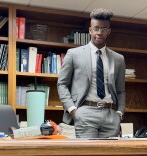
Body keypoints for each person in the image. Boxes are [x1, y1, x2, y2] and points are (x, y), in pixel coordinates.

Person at [57, 8, 126, 138]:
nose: (99, 32)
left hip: (111, 115)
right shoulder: (74, 54)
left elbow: (121, 91)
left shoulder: (118, 59)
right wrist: (73, 110)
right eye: (96, 28)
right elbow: (62, 84)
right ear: (90, 30)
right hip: (85, 112)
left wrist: (119, 113)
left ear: (108, 31)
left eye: (104, 29)